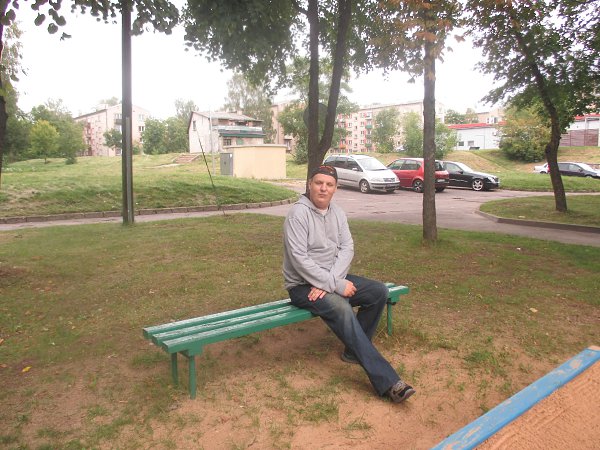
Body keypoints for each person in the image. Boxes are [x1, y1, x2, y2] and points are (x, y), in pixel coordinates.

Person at [283, 164, 415, 403]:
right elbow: (299, 259)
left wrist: (331, 282)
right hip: (302, 287)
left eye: (329, 184)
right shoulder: (298, 214)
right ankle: (388, 382)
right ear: (309, 184)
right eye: (318, 183)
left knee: (378, 292)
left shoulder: (337, 213)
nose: (323, 188)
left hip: (330, 278)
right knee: (342, 307)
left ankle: (353, 352)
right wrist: (333, 285)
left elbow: (347, 248)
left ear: (336, 188)